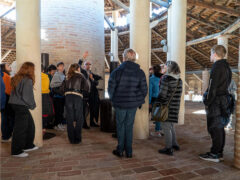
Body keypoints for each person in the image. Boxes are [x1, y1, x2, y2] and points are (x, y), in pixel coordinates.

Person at [108, 48, 148, 158]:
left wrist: (114, 100)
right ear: (134, 58)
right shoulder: (140, 72)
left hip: (120, 104)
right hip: (132, 105)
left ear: (124, 57)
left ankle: (120, 150)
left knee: (120, 126)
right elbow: (144, 90)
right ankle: (129, 151)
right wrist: (137, 100)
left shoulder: (117, 72)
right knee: (129, 126)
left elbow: (111, 89)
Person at [200, 45, 232, 163]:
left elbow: (212, 87)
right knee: (220, 127)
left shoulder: (217, 66)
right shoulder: (226, 66)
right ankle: (219, 152)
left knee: (214, 127)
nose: (210, 56)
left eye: (210, 53)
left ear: (214, 53)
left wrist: (207, 101)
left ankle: (214, 154)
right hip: (224, 100)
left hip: (216, 101)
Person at [9, 62, 39, 158]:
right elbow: (27, 96)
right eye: (33, 68)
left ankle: (28, 145)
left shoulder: (17, 77)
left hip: (14, 104)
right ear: (30, 69)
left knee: (30, 126)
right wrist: (32, 105)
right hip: (20, 105)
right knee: (20, 129)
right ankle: (16, 151)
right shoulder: (27, 80)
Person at [157, 61, 182, 156]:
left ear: (169, 68)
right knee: (171, 125)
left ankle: (168, 148)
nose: (164, 68)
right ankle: (175, 144)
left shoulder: (166, 79)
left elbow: (162, 95)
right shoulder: (179, 80)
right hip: (175, 106)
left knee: (166, 127)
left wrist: (158, 103)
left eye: (165, 66)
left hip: (166, 106)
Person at [63, 63, 89, 144]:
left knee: (69, 119)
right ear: (78, 69)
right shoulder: (81, 76)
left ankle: (71, 139)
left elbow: (61, 89)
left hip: (68, 97)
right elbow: (87, 88)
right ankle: (77, 138)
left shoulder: (67, 76)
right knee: (79, 118)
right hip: (77, 97)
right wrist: (83, 95)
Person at [0, 63, 14, 142]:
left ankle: (5, 136)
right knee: (8, 118)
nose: (10, 66)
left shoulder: (4, 75)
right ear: (4, 68)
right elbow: (9, 89)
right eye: (8, 66)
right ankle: (6, 136)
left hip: (5, 98)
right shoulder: (5, 76)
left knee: (5, 117)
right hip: (7, 98)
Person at [50, 62, 66, 131]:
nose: (62, 67)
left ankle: (60, 124)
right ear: (57, 67)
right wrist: (62, 83)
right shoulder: (56, 74)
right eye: (60, 66)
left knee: (61, 111)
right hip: (57, 97)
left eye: (63, 66)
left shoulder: (63, 74)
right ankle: (56, 125)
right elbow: (52, 85)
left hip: (62, 96)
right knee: (58, 112)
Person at [149, 65, 163, 137]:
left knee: (156, 115)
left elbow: (150, 92)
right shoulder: (163, 78)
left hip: (155, 99)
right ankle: (159, 130)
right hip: (162, 99)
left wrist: (149, 102)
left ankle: (157, 132)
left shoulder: (151, 79)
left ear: (153, 70)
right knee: (159, 115)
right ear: (160, 70)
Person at [41, 65, 54, 133]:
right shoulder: (46, 77)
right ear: (43, 70)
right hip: (46, 95)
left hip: (38, 95)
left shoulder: (35, 76)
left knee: (39, 113)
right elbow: (50, 86)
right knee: (45, 113)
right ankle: (44, 128)